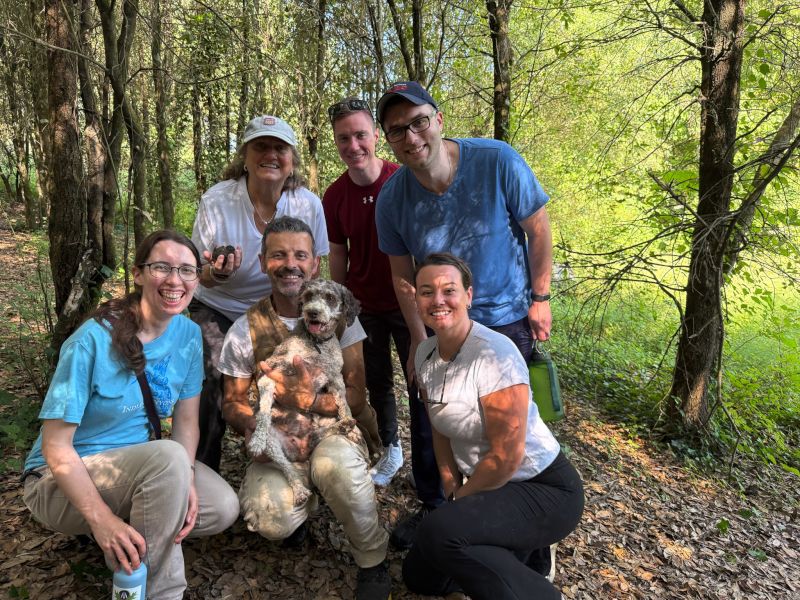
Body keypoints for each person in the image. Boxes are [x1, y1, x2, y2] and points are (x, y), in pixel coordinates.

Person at [374, 80, 554, 546]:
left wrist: (541, 297)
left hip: (505, 316)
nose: (412, 138)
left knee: (507, 426)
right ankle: (437, 510)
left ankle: (513, 522)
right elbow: (402, 275)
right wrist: (418, 338)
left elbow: (538, 228)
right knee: (432, 417)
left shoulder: (497, 161)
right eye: (398, 131)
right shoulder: (393, 199)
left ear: (438, 120)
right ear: (388, 141)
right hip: (441, 323)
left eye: (418, 122)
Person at [21, 230, 240, 599]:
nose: (175, 280)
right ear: (138, 274)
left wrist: (185, 480)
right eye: (161, 267)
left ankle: (131, 545)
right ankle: (157, 591)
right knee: (168, 458)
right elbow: (56, 447)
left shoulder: (187, 333)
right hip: (58, 480)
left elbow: (186, 423)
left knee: (221, 506)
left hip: (136, 469)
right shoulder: (91, 341)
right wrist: (102, 520)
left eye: (187, 270)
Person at [218, 216, 391, 600]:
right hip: (280, 434)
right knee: (269, 517)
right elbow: (230, 402)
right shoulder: (244, 329)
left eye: (300, 254)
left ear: (315, 263)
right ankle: (303, 504)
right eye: (278, 255)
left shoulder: (342, 318)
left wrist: (306, 400)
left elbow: (356, 393)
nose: (290, 264)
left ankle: (372, 558)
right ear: (263, 263)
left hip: (334, 430)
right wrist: (254, 427)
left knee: (340, 470)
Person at [402, 253, 583, 600]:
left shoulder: (494, 355)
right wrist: (451, 485)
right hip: (493, 489)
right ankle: (516, 554)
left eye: (448, 290)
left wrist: (458, 504)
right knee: (419, 576)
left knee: (440, 532)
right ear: (417, 299)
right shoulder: (425, 353)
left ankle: (539, 592)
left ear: (468, 296)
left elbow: (505, 458)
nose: (437, 300)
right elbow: (439, 428)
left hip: (544, 487)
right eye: (426, 292)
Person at [190, 115, 330, 472]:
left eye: (279, 148)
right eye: (261, 146)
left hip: (284, 305)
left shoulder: (307, 204)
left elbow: (316, 266)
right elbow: (196, 275)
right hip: (222, 305)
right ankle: (203, 473)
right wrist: (216, 273)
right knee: (209, 380)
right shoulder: (218, 200)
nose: (270, 154)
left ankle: (313, 462)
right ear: (245, 156)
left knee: (307, 374)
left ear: (292, 159)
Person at [323, 97, 443, 505]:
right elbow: (338, 253)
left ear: (376, 135)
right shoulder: (334, 196)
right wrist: (339, 307)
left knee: (422, 380)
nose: (353, 145)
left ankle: (432, 464)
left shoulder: (402, 179)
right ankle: (391, 448)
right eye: (344, 138)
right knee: (376, 383)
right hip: (363, 306)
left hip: (409, 302)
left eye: (360, 134)